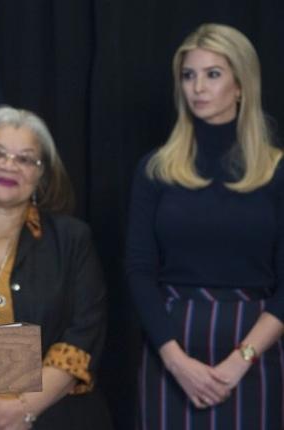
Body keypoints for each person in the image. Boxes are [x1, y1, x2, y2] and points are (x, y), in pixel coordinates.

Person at [126, 23, 284, 429]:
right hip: (171, 341)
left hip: (254, 344)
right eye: (188, 75)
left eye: (212, 74)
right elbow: (139, 271)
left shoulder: (277, 171)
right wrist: (175, 360)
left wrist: (240, 361)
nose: (198, 87)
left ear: (241, 84)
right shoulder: (155, 169)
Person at [0, 105, 112, 429]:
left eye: (25, 159)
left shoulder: (72, 239)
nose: (8, 166)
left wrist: (24, 409)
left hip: (49, 415)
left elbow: (82, 336)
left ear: (42, 174)